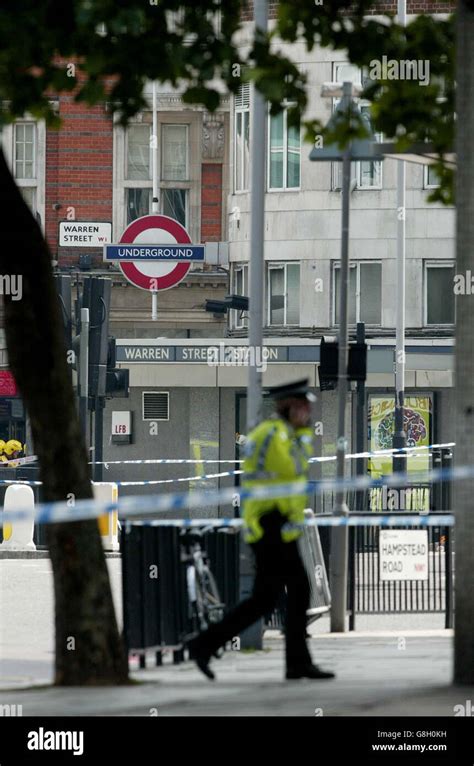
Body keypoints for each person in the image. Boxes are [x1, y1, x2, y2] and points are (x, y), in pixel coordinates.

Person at [188, 379, 335, 682]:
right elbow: (284, 469)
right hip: (271, 524)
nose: (309, 411)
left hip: (281, 526)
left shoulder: (285, 435)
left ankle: (206, 645)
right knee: (291, 592)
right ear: (290, 406)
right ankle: (294, 663)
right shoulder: (273, 435)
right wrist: (301, 435)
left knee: (272, 598)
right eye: (304, 405)